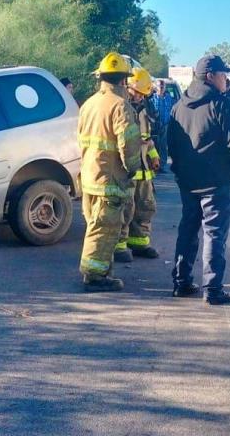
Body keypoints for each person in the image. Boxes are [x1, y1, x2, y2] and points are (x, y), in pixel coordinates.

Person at [167, 55, 230, 305]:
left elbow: (170, 143)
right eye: (223, 75)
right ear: (210, 76)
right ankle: (213, 290)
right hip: (216, 183)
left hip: (188, 181)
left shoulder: (178, 106)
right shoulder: (221, 105)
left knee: (188, 229)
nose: (226, 79)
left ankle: (182, 283)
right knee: (214, 234)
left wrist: (180, 172)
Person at [77, 52, 142, 292]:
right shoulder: (120, 106)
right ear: (124, 80)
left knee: (95, 227)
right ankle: (94, 276)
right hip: (109, 180)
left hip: (90, 177)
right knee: (105, 229)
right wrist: (133, 168)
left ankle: (101, 270)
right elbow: (129, 143)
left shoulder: (88, 104)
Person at [114, 66, 162, 262]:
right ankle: (119, 245)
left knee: (145, 207)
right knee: (125, 208)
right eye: (137, 93)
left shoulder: (142, 110)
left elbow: (147, 138)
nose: (140, 97)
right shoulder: (121, 108)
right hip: (127, 169)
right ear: (128, 87)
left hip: (143, 170)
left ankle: (139, 242)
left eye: (143, 95)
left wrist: (154, 155)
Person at [150, 79, 176, 170]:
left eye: (162, 86)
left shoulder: (169, 99)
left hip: (166, 125)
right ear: (155, 87)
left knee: (164, 145)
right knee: (155, 146)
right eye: (159, 86)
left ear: (165, 88)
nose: (161, 88)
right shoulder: (152, 99)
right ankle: (154, 164)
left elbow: (174, 111)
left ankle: (163, 165)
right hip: (155, 126)